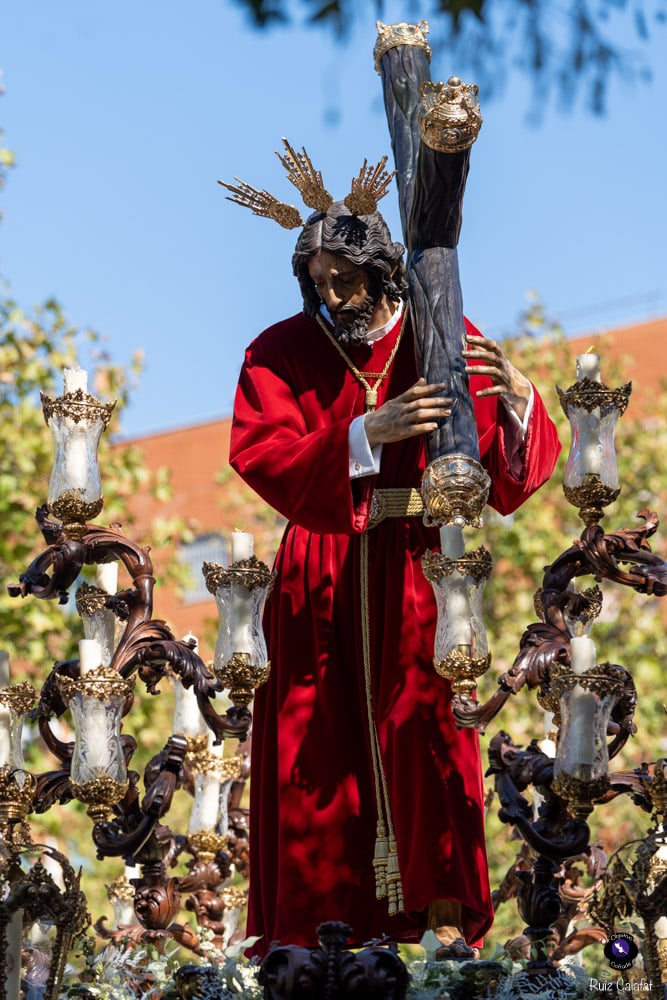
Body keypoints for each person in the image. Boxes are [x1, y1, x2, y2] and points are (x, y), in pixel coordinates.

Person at [229, 199, 561, 956]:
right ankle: (315, 938)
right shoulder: (279, 349)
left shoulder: (441, 336)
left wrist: (517, 397)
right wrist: (362, 434)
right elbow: (259, 452)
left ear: (381, 272)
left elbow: (506, 481)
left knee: (430, 734)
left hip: (422, 562)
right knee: (315, 747)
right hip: (320, 568)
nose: (332, 296)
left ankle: (442, 926)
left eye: (345, 280)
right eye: (318, 282)